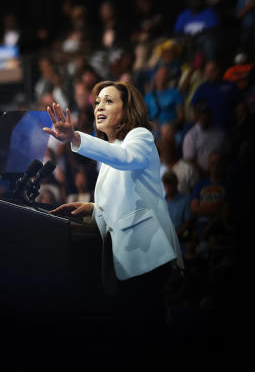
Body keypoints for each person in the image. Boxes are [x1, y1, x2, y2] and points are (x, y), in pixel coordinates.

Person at [45, 82, 183, 335]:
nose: (99, 106)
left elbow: (128, 160)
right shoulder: (111, 152)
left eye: (108, 101)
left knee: (148, 330)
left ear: (127, 108)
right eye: (97, 101)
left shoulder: (139, 136)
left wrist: (75, 137)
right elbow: (124, 197)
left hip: (146, 254)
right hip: (125, 257)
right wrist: (92, 208)